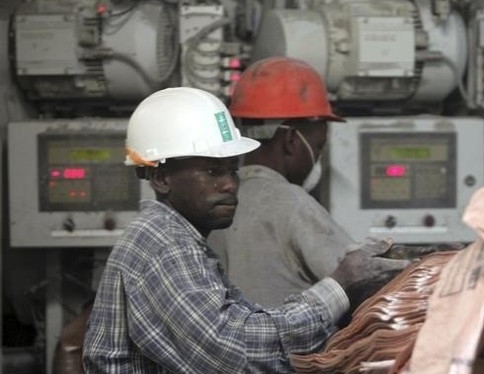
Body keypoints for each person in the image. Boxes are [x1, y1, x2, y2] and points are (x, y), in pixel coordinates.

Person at [83, 87, 409, 372]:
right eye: (212, 171)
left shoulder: (183, 242)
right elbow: (238, 354)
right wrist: (339, 287)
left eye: (231, 170)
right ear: (161, 178)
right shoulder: (163, 247)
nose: (229, 184)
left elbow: (248, 323)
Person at [207, 57, 355, 306]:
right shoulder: (292, 203)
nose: (316, 158)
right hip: (293, 344)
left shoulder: (216, 203)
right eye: (319, 147)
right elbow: (358, 278)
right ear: (291, 141)